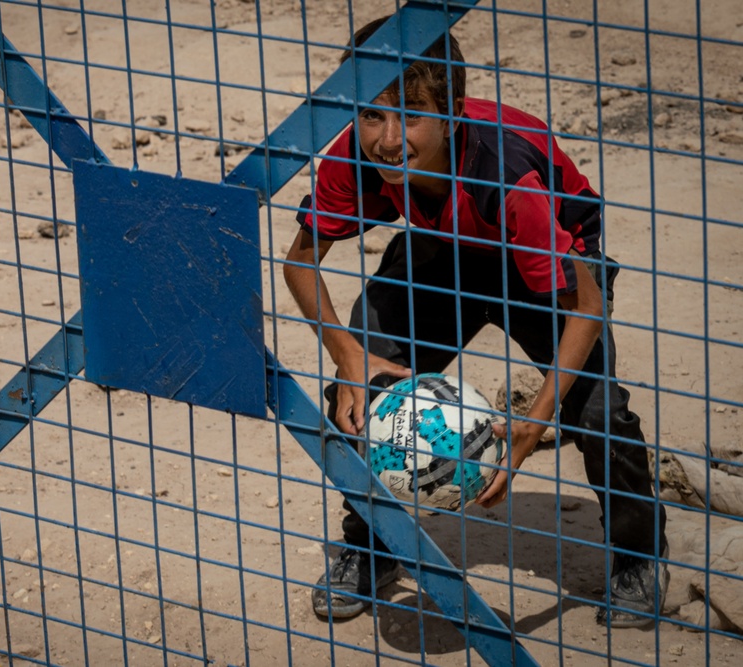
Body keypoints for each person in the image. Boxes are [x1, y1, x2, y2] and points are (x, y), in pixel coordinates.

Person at [283, 16, 668, 628]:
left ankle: (638, 556)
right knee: (358, 394)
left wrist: (530, 430)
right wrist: (349, 358)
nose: (385, 138)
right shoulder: (352, 156)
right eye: (370, 114)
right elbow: (300, 262)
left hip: (548, 269)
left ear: (453, 114)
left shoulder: (508, 177)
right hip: (444, 250)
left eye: (409, 115)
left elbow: (586, 308)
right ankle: (370, 545)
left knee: (597, 414)